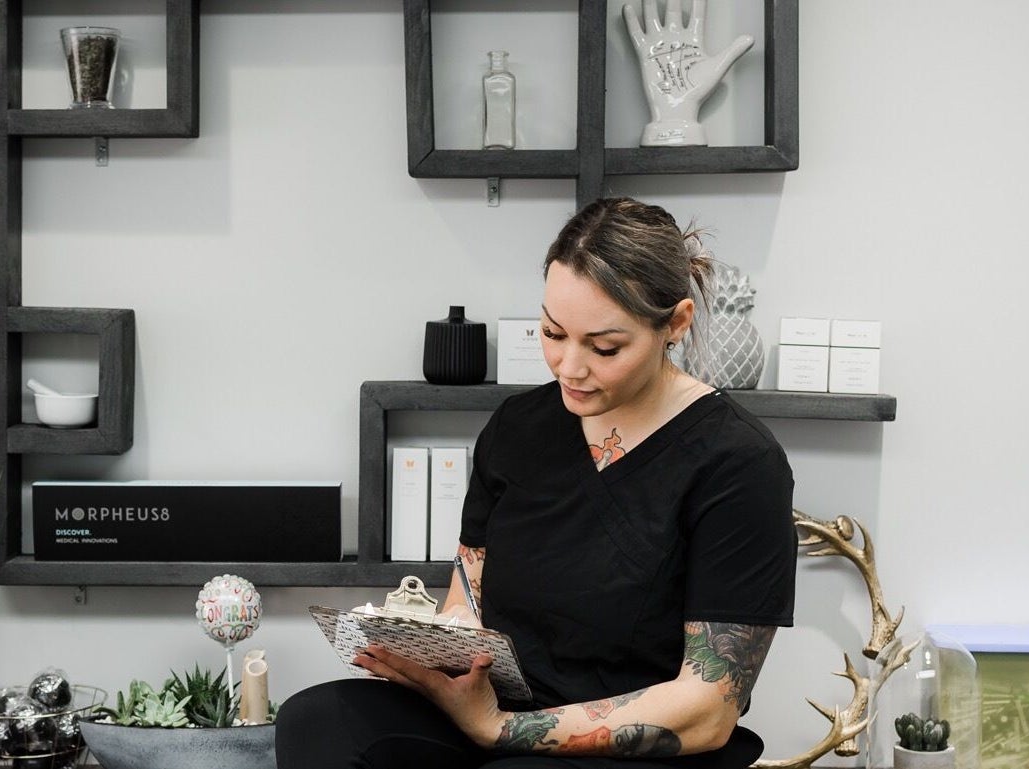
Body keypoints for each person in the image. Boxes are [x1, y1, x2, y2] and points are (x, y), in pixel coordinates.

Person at [276, 197, 796, 769]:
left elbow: (708, 707)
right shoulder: (517, 429)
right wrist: (431, 659)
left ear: (675, 323)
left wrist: (499, 730)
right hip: (490, 714)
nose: (568, 367)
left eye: (604, 348)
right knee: (318, 722)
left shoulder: (740, 464)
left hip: (635, 747)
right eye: (552, 333)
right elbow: (466, 600)